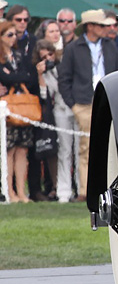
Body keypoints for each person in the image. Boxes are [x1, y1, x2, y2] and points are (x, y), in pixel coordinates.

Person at [57, 10, 118, 202]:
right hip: (84, 103)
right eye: (102, 25)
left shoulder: (111, 46)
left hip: (107, 101)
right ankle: (85, 191)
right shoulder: (73, 48)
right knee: (85, 149)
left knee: (109, 146)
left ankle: (110, 188)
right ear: (90, 26)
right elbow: (64, 78)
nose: (107, 29)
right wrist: (73, 105)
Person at [0, 19, 39, 202]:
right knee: (8, 150)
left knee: (22, 150)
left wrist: (12, 77)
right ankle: (9, 191)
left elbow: (29, 77)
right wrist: (12, 77)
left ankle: (21, 192)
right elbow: (4, 78)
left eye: (14, 34)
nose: (13, 38)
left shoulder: (19, 55)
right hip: (5, 108)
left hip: (22, 107)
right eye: (9, 34)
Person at [34, 40, 61, 200]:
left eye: (50, 54)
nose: (48, 59)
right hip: (51, 113)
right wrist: (40, 75)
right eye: (43, 57)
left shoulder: (62, 66)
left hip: (66, 108)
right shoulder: (42, 71)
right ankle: (55, 186)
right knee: (52, 151)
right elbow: (44, 95)